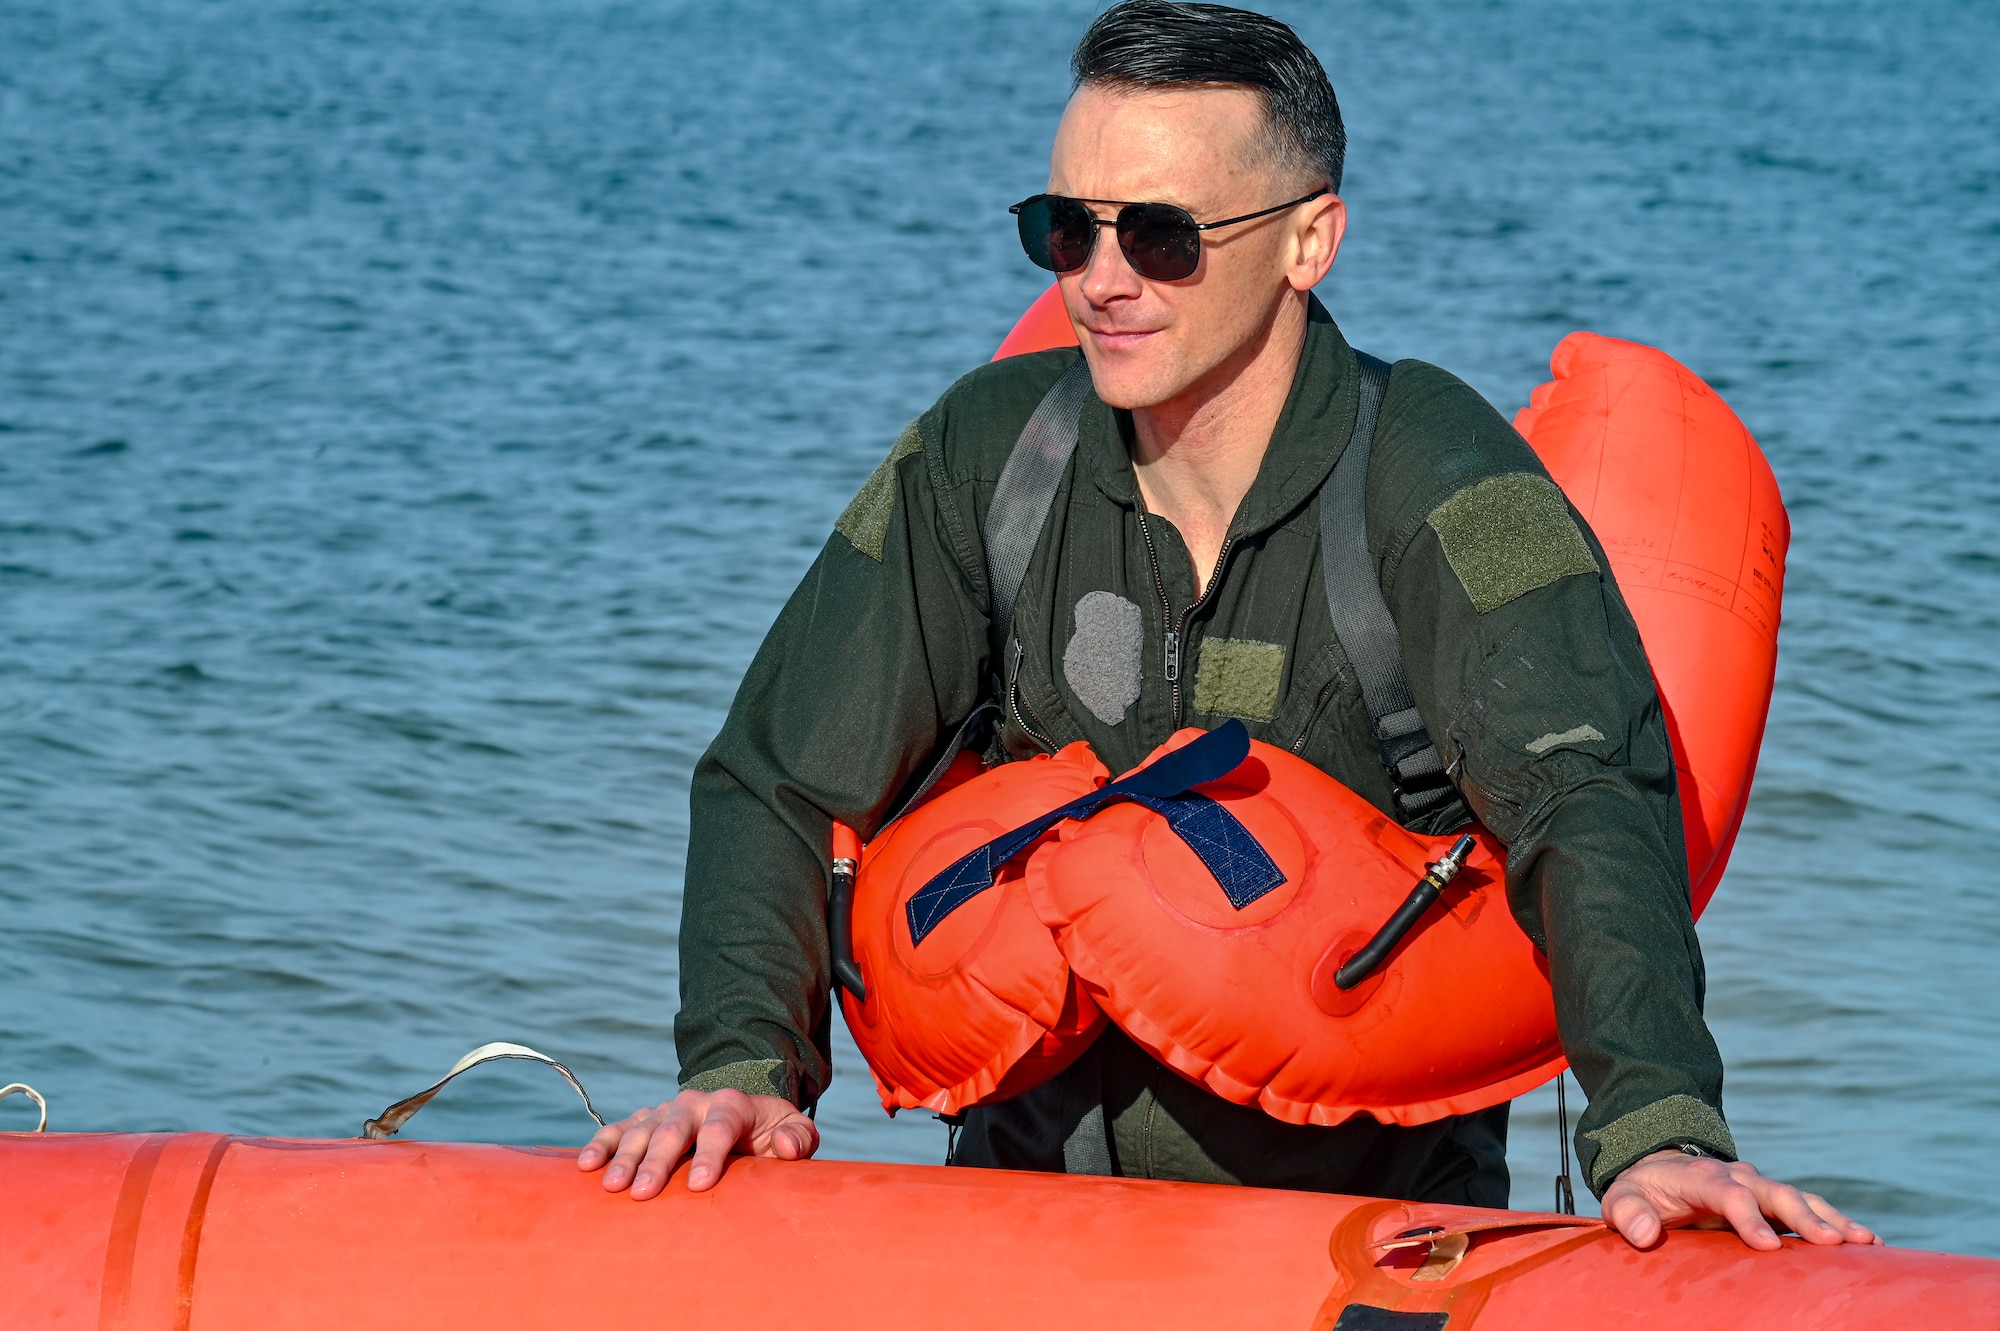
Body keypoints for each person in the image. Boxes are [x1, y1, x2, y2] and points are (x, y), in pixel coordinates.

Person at [579, 0, 1877, 1252]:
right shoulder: (989, 458)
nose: (1100, 281)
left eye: (1158, 236)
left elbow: (1583, 796)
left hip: (1366, 1238)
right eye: (1063, 230)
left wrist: (1662, 1129)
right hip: (1025, 1227)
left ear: (1309, 242)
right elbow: (778, 774)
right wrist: (745, 1068)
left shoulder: (1436, 477)